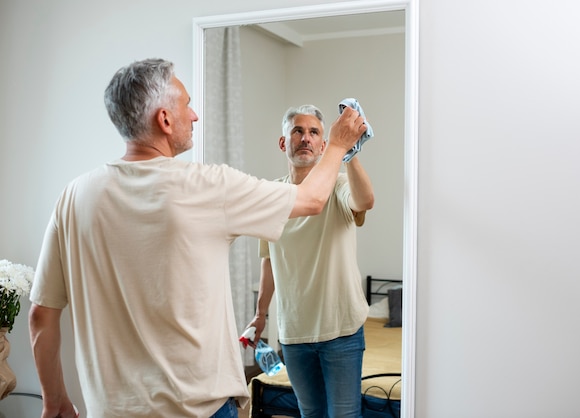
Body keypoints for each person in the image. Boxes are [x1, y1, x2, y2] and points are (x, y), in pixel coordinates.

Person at [28, 59, 366, 418]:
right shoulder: (207, 186)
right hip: (197, 409)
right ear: (164, 119)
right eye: (186, 105)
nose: (194, 116)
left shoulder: (74, 196)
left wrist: (55, 400)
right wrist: (339, 144)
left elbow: (41, 317)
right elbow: (312, 199)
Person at [247, 104, 375, 418]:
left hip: (341, 331)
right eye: (298, 131)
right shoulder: (271, 195)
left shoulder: (339, 184)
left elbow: (365, 201)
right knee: (310, 414)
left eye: (314, 132)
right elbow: (269, 260)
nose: (306, 138)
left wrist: (349, 151)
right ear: (283, 143)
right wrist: (260, 314)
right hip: (293, 335)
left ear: (323, 146)